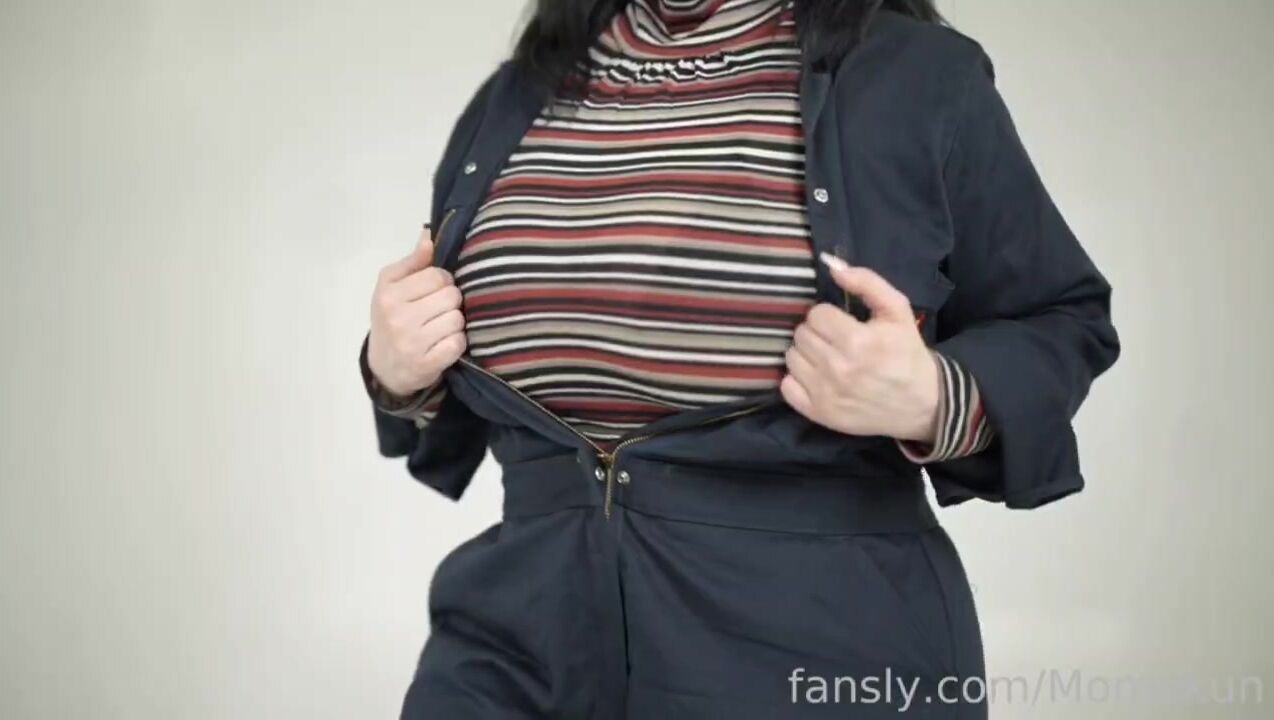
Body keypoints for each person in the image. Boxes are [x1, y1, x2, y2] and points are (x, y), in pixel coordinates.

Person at [358, 1, 1121, 717]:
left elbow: (1063, 318)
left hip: (816, 649)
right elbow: (455, 393)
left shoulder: (921, 78)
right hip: (516, 646)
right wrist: (396, 372)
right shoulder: (518, 94)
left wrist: (935, 397)